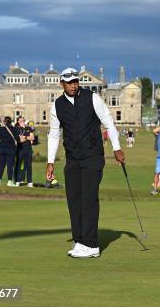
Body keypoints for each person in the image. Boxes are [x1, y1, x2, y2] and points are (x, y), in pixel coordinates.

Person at [46, 68, 124, 258]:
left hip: (93, 156)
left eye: (76, 81)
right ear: (62, 84)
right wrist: (50, 162)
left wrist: (116, 148)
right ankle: (80, 241)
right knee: (74, 200)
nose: (74, 85)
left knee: (88, 199)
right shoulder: (57, 106)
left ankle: (91, 245)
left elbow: (108, 122)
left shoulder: (92, 98)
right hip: (72, 158)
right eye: (70, 82)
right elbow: (54, 134)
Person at [0, 116, 18, 186]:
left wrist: (2, 126)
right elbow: (17, 138)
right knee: (10, 166)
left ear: (5, 122)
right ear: (11, 122)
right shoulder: (14, 129)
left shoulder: (0, 129)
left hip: (2, 148)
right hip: (10, 149)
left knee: (1, 165)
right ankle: (9, 181)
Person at [14, 116, 34, 187]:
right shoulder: (16, 129)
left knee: (29, 165)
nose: (22, 121)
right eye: (21, 120)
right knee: (19, 165)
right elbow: (19, 140)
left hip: (28, 149)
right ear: (18, 122)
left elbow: (32, 137)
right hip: (20, 149)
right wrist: (26, 138)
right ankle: (18, 181)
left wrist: (24, 137)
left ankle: (30, 182)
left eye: (23, 120)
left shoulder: (28, 128)